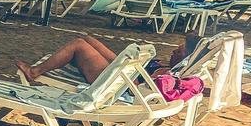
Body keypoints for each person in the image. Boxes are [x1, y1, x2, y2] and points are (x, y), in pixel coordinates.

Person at [17, 33, 196, 85]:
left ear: (185, 59)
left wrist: (124, 68)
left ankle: (35, 71)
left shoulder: (167, 74)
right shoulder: (168, 66)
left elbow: (136, 86)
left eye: (178, 52)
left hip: (119, 82)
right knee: (89, 39)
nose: (173, 52)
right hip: (126, 70)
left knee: (79, 45)